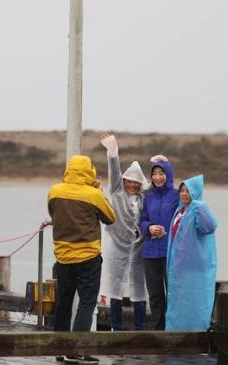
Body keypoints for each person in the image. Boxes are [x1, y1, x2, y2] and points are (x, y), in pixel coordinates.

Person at [47, 155, 116, 364]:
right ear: (89, 171)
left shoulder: (54, 191)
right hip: (88, 257)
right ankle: (77, 350)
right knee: (86, 304)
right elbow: (110, 217)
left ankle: (59, 348)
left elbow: (53, 213)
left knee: (63, 304)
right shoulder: (93, 194)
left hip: (63, 257)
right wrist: (97, 190)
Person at [98, 133, 149, 331]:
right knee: (115, 287)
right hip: (115, 245)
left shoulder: (143, 197)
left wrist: (161, 163)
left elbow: (160, 185)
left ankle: (140, 327)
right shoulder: (116, 192)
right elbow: (114, 171)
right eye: (129, 180)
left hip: (138, 247)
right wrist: (113, 152)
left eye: (136, 182)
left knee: (138, 287)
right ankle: (116, 328)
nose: (132, 184)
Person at [165, 175, 218, 331]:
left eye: (188, 191)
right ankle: (174, 331)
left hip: (195, 269)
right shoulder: (180, 211)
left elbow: (210, 226)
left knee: (195, 301)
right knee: (177, 300)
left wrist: (199, 206)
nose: (184, 194)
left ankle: (196, 332)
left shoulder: (199, 210)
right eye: (182, 190)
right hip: (178, 267)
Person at [139, 156, 179, 330]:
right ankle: (158, 331)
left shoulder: (177, 195)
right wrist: (149, 228)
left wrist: (167, 232)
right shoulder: (148, 197)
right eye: (154, 174)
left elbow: (182, 220)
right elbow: (142, 220)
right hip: (150, 252)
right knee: (155, 295)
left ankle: (173, 329)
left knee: (173, 293)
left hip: (171, 252)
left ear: (168, 174)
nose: (157, 177)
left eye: (161, 173)